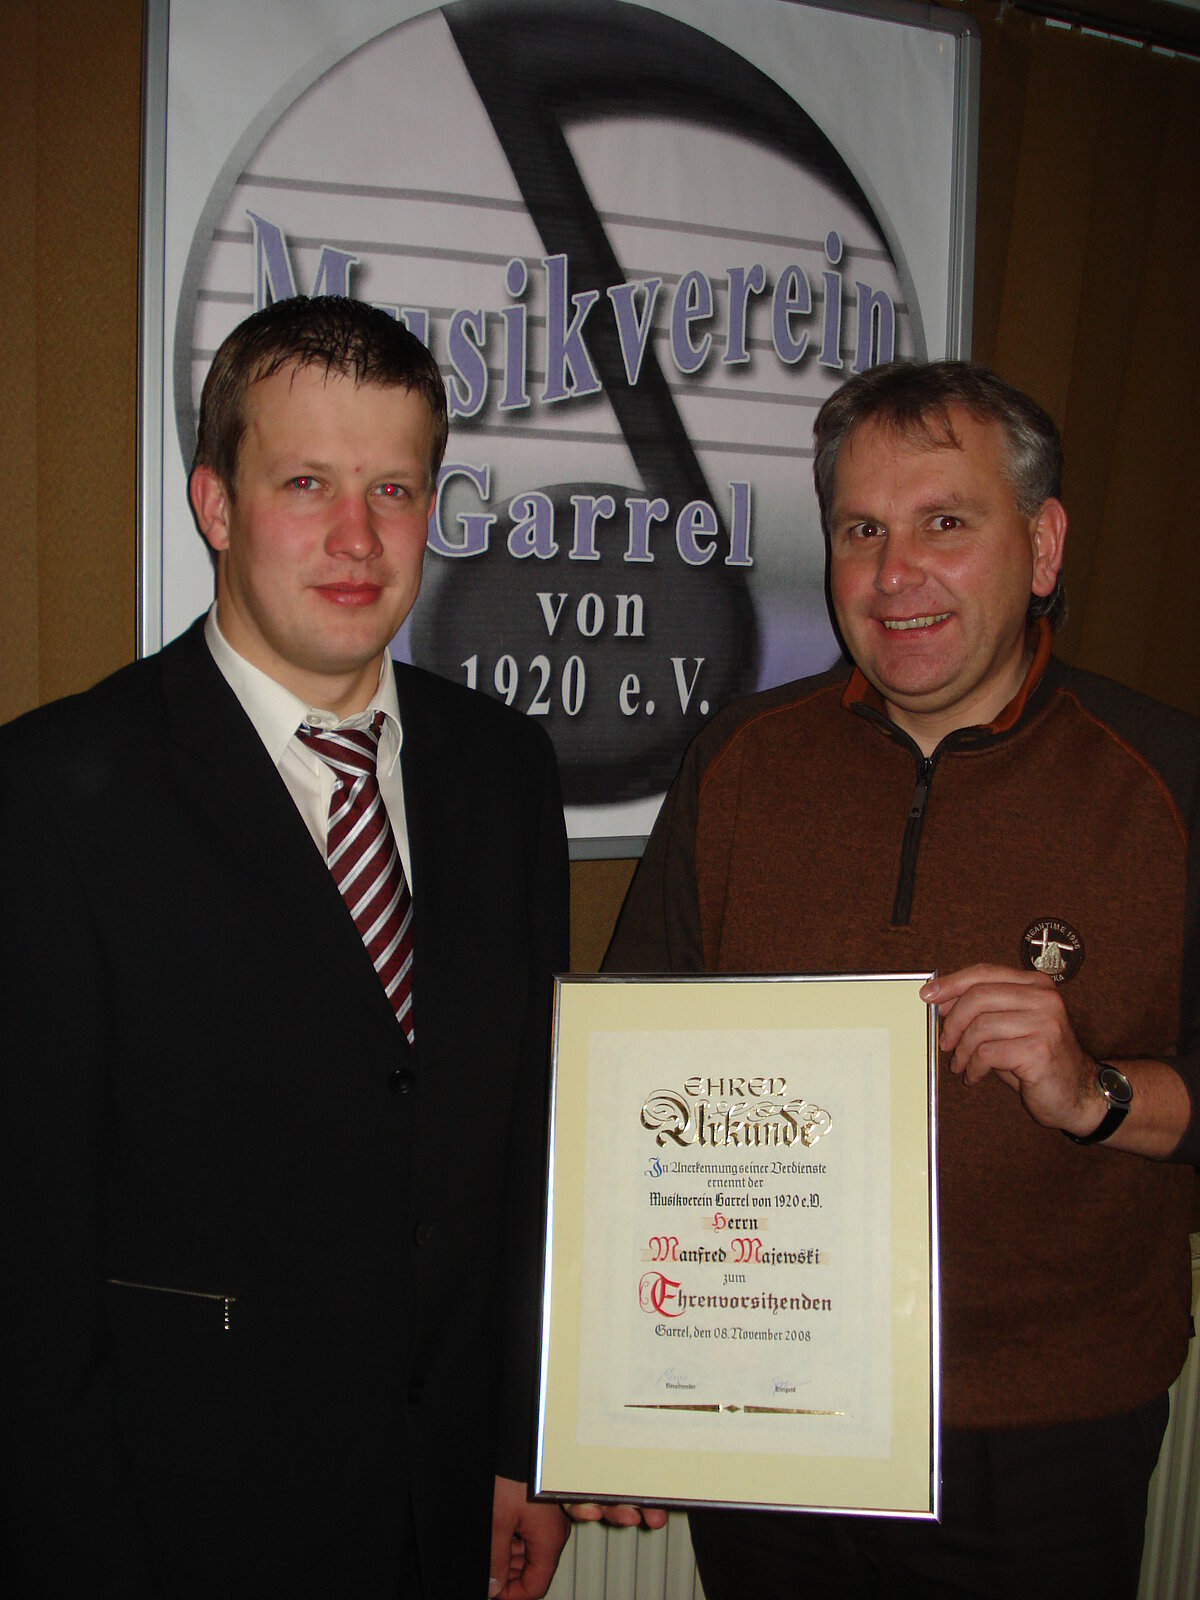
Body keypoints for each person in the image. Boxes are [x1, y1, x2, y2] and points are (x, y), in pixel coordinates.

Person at [0, 296, 569, 1599]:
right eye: (305, 483)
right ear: (215, 502)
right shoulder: (50, 795)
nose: (357, 538)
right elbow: (28, 1259)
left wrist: (520, 1444)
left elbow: (525, 1141)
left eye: (396, 488)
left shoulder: (502, 771)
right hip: (178, 1525)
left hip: (443, 1513)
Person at [605, 360, 1199, 1598]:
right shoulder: (738, 762)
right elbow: (621, 1075)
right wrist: (622, 1383)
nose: (893, 574)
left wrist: (1095, 1089)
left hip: (1043, 1440)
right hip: (766, 1412)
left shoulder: (1166, 780)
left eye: (945, 522)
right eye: (860, 529)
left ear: (1041, 546)